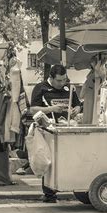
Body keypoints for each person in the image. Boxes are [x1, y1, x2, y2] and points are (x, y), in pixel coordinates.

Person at [30, 64, 82, 203]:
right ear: (51, 78)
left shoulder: (69, 88)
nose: (62, 83)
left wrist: (77, 109)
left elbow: (77, 104)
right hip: (48, 131)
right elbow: (33, 110)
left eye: (64, 79)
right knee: (50, 160)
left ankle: (73, 186)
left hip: (68, 129)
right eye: (59, 80)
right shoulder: (40, 88)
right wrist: (51, 108)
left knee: (70, 159)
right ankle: (49, 193)